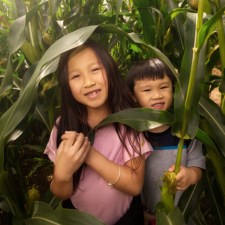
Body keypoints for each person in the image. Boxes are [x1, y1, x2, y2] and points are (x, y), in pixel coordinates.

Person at [44, 40, 152, 225]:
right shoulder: (63, 127)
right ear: (66, 85)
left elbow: (135, 186)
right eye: (76, 76)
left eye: (95, 69)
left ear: (109, 70)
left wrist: (89, 155)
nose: (88, 82)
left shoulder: (128, 122)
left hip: (126, 220)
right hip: (78, 220)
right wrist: (61, 176)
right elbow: (63, 193)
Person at [126, 58, 206, 225]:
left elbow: (198, 165)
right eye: (147, 90)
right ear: (133, 96)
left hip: (181, 213)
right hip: (143, 215)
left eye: (164, 87)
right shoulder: (131, 135)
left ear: (173, 90)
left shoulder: (186, 130)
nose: (157, 95)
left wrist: (190, 175)